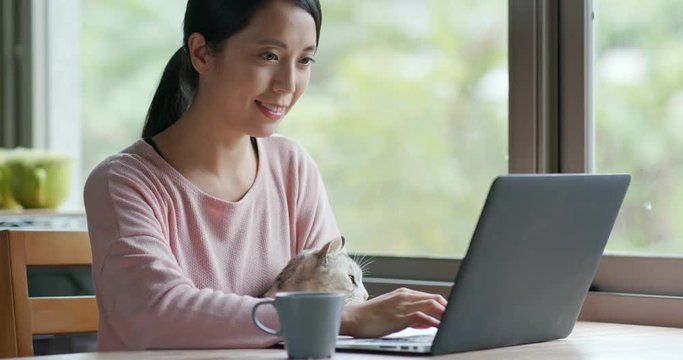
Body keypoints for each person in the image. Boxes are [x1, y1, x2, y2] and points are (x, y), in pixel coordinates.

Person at [84, 0, 446, 351]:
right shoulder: (124, 182)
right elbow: (155, 312)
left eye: (304, 60)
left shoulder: (292, 166)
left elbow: (338, 294)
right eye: (269, 56)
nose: (288, 83)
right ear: (202, 54)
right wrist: (339, 319)